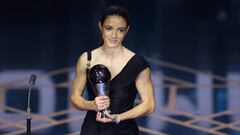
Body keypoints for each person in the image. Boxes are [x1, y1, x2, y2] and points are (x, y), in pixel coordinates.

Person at [71, 5, 155, 135]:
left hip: (124, 131)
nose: (114, 35)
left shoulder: (138, 64)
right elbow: (75, 98)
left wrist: (117, 118)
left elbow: (149, 105)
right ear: (100, 27)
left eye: (120, 30)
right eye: (109, 28)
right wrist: (92, 105)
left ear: (126, 31)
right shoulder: (87, 59)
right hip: (93, 130)